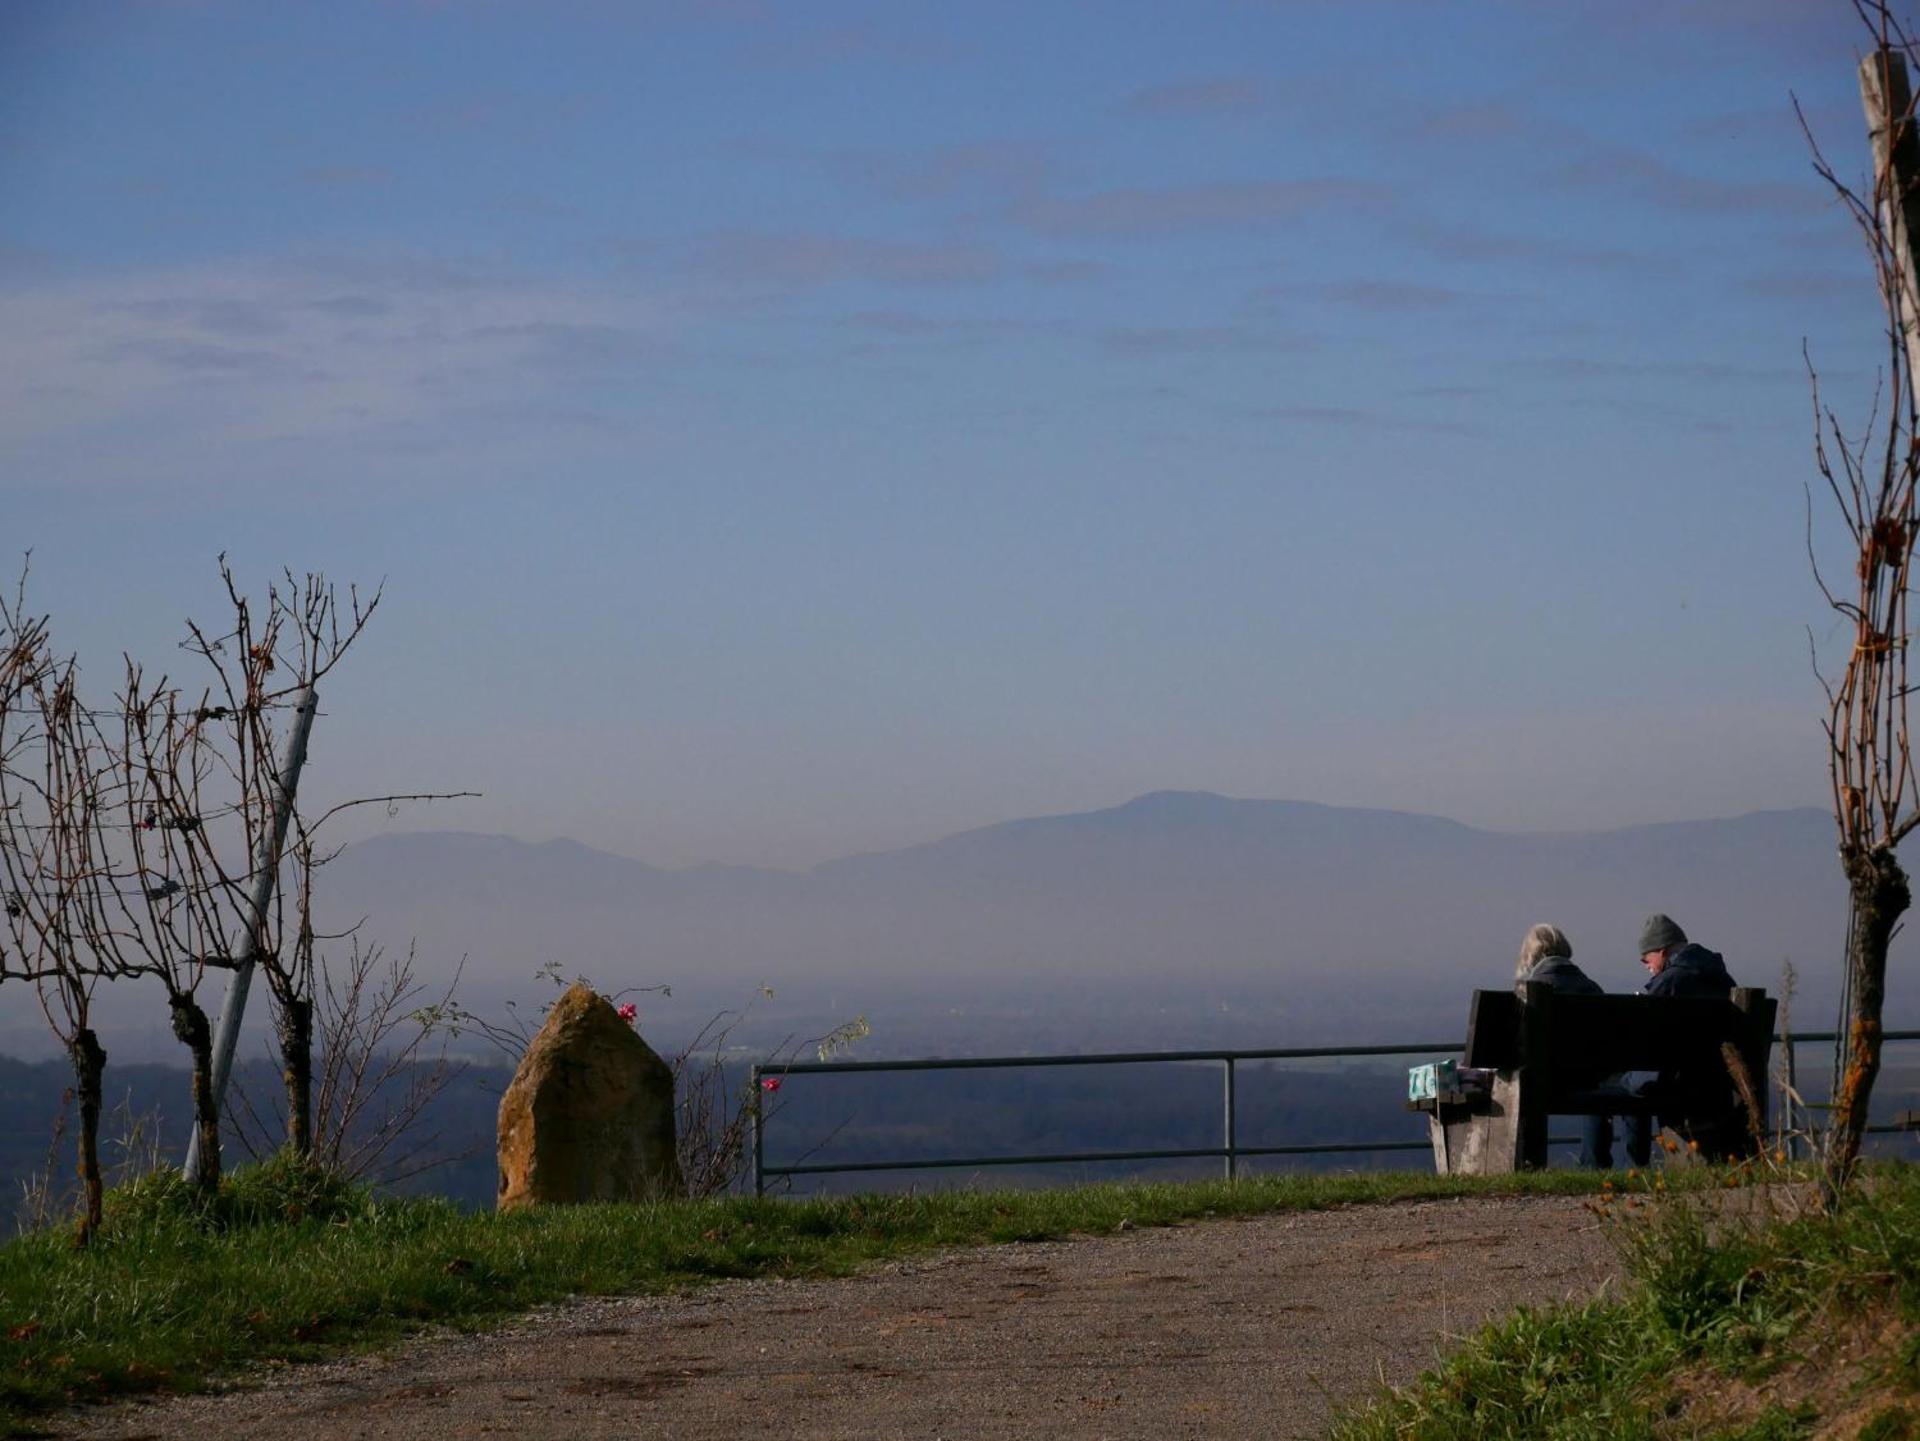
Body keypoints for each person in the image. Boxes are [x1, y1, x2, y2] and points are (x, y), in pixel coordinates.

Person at [1623, 913, 1746, 1165]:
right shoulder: (1722, 978)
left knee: (1627, 1082)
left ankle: (1634, 1167)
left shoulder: (1669, 983)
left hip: (1678, 1081)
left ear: (1662, 951)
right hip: (1723, 1081)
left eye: (1646, 958)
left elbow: (1643, 1042)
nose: (1646, 965)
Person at [1514, 923, 1613, 1170]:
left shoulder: (1529, 992)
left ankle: (1527, 1163)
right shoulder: (1593, 990)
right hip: (1591, 1081)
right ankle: (1594, 1166)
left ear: (1530, 955)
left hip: (1542, 1082)